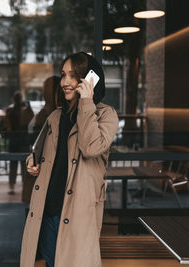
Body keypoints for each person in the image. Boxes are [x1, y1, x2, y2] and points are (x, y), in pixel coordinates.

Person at [20, 52, 119, 267]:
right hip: (49, 211)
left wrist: (86, 102)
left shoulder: (105, 115)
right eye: (63, 75)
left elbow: (91, 147)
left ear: (89, 79)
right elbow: (40, 150)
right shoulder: (55, 116)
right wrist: (33, 161)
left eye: (73, 76)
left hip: (77, 216)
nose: (65, 82)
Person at [4, 91, 34, 195]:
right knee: (23, 164)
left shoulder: (10, 111)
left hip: (14, 139)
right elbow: (30, 120)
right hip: (23, 139)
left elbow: (7, 125)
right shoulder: (24, 111)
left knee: (13, 164)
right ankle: (23, 186)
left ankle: (12, 186)